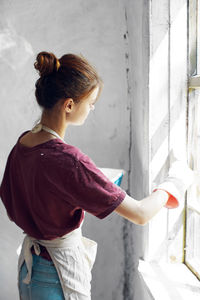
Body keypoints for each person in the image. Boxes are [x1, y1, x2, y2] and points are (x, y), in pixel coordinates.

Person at [0, 51, 198, 300]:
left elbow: (15, 201)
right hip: (57, 277)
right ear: (70, 105)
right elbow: (140, 213)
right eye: (91, 101)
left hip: (29, 271)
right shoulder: (70, 161)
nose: (92, 108)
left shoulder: (24, 143)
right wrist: (175, 182)